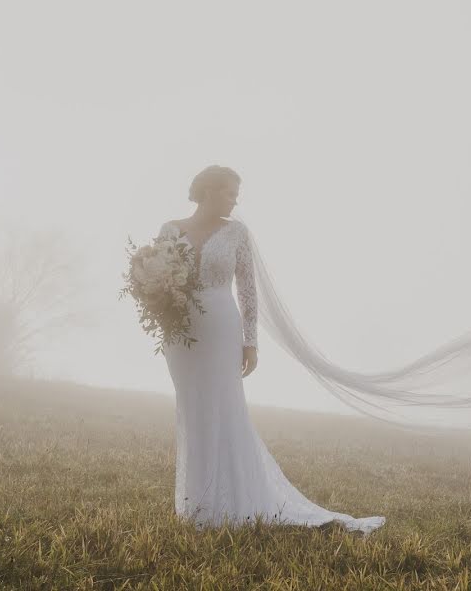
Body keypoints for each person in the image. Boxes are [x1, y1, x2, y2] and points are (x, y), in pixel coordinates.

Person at [157, 165, 387, 534]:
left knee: (224, 410)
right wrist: (156, 300)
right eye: (230, 192)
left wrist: (250, 342)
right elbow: (158, 279)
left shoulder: (237, 233)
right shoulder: (170, 229)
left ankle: (230, 502)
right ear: (209, 191)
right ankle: (198, 504)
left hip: (220, 328)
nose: (236, 200)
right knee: (193, 411)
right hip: (179, 336)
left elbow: (247, 291)